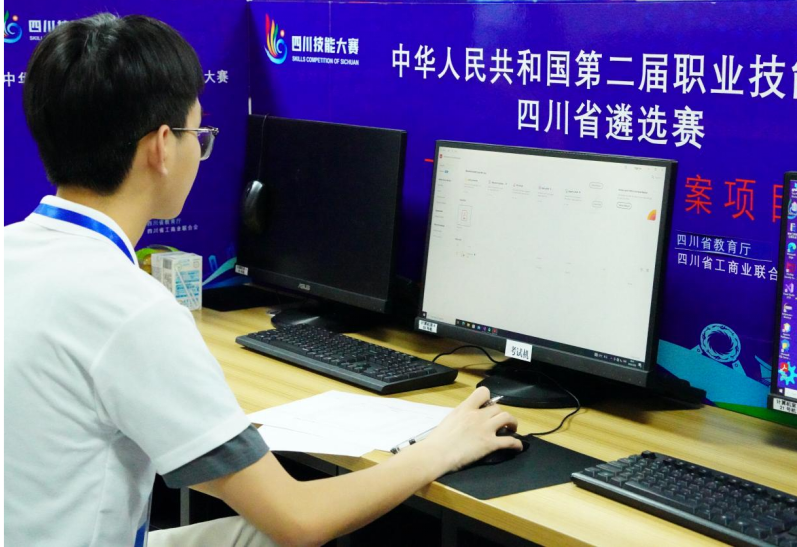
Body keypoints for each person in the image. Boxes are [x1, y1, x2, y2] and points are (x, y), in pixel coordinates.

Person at [2, 13, 522, 547]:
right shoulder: (132, 310)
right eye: (197, 135)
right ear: (161, 147)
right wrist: (440, 448)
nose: (200, 151)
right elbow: (299, 520)